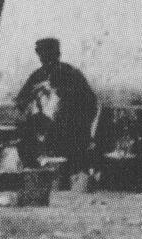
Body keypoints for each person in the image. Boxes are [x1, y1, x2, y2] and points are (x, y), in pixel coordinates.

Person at [15, 38, 99, 175]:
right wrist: (34, 96)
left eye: (50, 56)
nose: (45, 60)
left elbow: (90, 104)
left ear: (57, 55)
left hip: (70, 130)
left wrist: (61, 97)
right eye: (42, 56)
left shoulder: (71, 73)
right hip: (43, 130)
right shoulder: (38, 75)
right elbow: (21, 100)